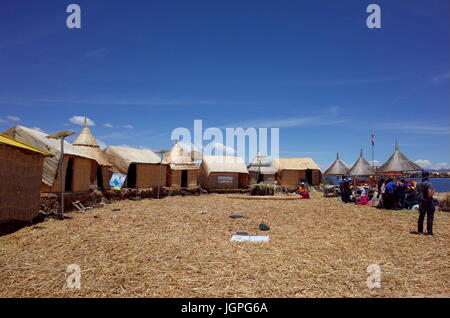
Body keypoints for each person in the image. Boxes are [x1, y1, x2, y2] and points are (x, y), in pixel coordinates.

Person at [416, 171, 436, 235]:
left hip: (422, 202)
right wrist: (433, 191)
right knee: (430, 217)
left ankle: (420, 230)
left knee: (421, 217)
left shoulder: (418, 183)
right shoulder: (428, 184)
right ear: (428, 176)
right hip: (429, 202)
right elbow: (429, 195)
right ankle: (429, 232)